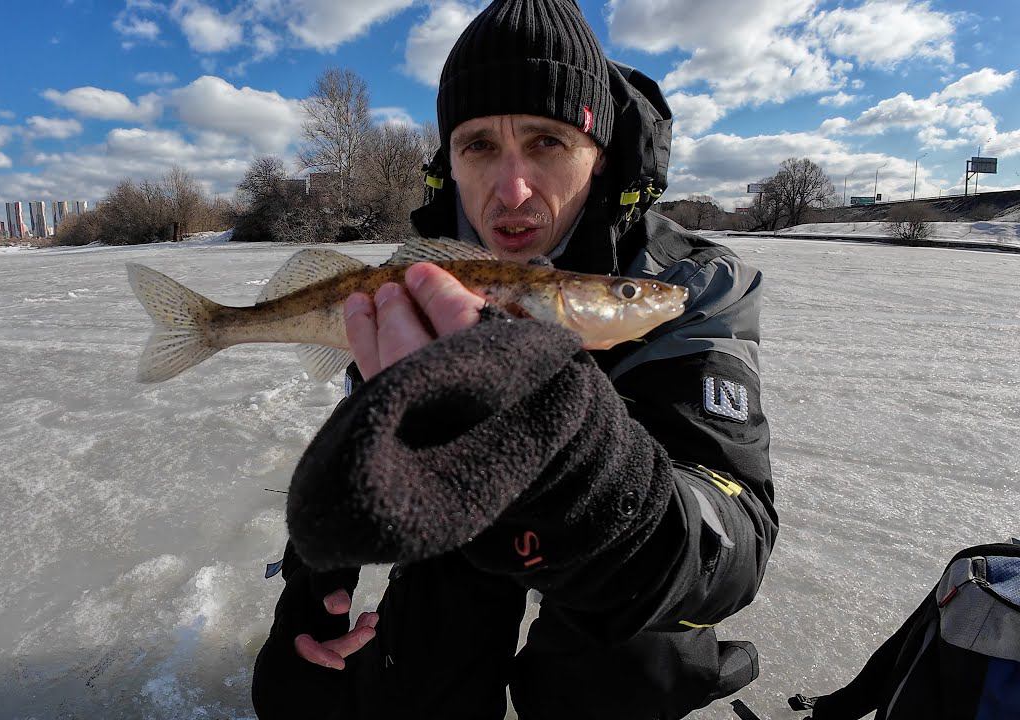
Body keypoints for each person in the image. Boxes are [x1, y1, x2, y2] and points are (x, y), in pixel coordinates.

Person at [252, 0, 777, 717]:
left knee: (632, 661)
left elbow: (731, 542)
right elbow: (373, 433)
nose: (512, 189)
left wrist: (577, 464)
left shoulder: (692, 285)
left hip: (614, 554)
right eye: (478, 146)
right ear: (450, 159)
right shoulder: (414, 285)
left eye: (547, 142)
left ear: (601, 152)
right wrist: (317, 584)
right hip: (466, 526)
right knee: (412, 678)